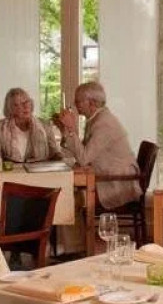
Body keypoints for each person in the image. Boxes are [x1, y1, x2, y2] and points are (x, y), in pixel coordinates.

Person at [55, 81, 140, 210]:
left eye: (78, 101)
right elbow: (80, 153)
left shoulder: (104, 123)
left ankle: (76, 224)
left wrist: (71, 129)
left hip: (117, 184)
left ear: (92, 103)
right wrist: (65, 129)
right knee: (63, 193)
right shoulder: (95, 119)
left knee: (67, 199)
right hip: (105, 177)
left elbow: (83, 159)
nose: (75, 105)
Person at [0, 88, 62, 163]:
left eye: (26, 102)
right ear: (10, 109)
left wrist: (64, 131)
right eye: (18, 104)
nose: (25, 107)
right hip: (12, 170)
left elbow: (55, 152)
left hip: (39, 169)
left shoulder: (45, 125)